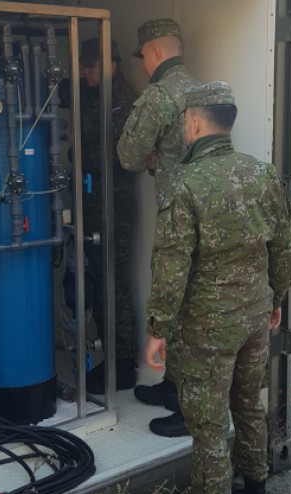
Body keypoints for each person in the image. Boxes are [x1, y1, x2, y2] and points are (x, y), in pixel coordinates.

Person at [143, 81, 291, 494]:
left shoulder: (185, 184)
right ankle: (256, 489)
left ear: (194, 123)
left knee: (208, 425)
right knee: (248, 405)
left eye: (184, 122)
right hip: (254, 316)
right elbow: (284, 247)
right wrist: (276, 298)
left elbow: (171, 266)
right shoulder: (262, 173)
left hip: (207, 329)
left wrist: (158, 329)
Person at [116, 18, 199, 422]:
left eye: (144, 57)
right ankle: (174, 384)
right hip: (207, 212)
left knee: (174, 299)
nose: (144, 65)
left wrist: (154, 158)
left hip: (175, 217)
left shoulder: (158, 95)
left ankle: (186, 403)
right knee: (190, 299)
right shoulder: (202, 90)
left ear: (155, 51)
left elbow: (128, 157)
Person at [65, 38, 138, 394]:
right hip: (91, 204)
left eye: (91, 65)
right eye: (82, 65)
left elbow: (117, 154)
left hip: (114, 208)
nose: (84, 72)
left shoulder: (125, 101)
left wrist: (77, 154)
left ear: (112, 63)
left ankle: (122, 364)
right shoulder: (92, 95)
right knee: (95, 281)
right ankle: (107, 356)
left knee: (114, 285)